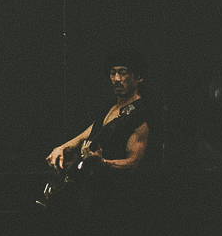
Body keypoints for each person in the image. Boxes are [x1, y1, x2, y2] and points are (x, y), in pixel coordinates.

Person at [47, 47, 157, 190]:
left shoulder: (141, 114)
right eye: (113, 73)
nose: (116, 78)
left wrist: (103, 162)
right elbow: (86, 135)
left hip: (118, 191)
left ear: (138, 77)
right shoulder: (110, 107)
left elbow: (132, 163)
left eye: (123, 73)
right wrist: (60, 148)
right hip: (91, 188)